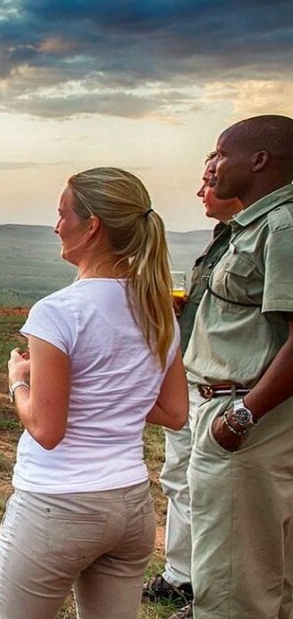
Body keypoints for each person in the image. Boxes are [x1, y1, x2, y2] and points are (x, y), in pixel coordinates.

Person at [0, 168, 188, 618]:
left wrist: (18, 380)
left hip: (57, 506)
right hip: (131, 506)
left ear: (91, 225)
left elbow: (46, 428)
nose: (57, 225)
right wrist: (112, 400)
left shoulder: (57, 312)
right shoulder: (158, 312)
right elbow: (175, 412)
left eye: (62, 214)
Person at [183, 114, 293, 618]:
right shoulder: (256, 225)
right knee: (269, 574)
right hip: (246, 411)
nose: (215, 165)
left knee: (231, 585)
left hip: (245, 417)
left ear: (259, 160)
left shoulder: (282, 226)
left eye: (222, 153)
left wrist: (242, 417)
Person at [143, 153, 243, 609]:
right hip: (194, 377)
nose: (202, 190)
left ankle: (211, 591)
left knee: (214, 495)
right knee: (180, 479)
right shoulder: (226, 238)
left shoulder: (272, 235)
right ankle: (182, 575)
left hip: (230, 389)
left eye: (210, 179)